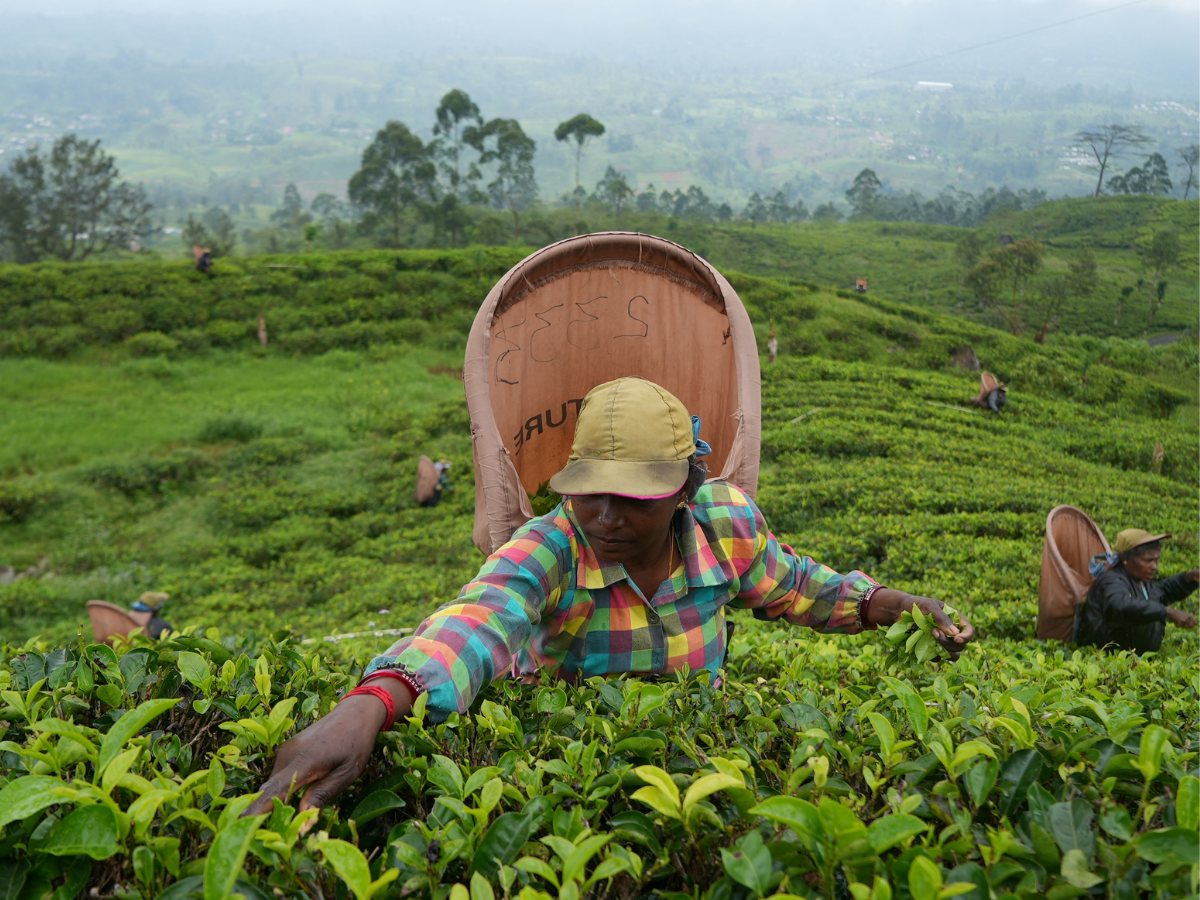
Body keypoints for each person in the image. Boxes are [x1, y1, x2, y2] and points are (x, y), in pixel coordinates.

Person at [248, 377, 975, 816]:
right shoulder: (551, 545)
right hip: (568, 776)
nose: (605, 517)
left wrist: (892, 604)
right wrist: (369, 705)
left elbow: (799, 589)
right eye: (589, 493)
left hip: (700, 763)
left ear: (685, 490)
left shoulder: (724, 524)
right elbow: (477, 621)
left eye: (633, 500)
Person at [1075, 528, 1198, 654]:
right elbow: (1120, 605)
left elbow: (1161, 591)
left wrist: (1189, 578)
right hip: (1109, 660)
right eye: (1147, 560)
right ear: (1125, 559)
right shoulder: (1111, 580)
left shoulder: (1141, 579)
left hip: (1137, 660)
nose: (1154, 567)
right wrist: (1167, 612)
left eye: (1156, 560)